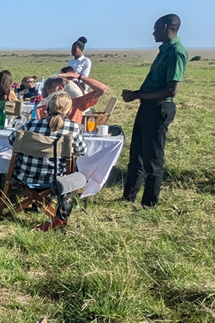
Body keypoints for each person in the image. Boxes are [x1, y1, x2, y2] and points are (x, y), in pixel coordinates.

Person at [122, 14, 188, 208]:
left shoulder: (176, 52)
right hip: (147, 107)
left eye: (156, 28)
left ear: (165, 27)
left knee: (153, 159)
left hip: (159, 108)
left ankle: (149, 204)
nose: (153, 33)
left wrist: (136, 95)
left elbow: (171, 90)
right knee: (136, 155)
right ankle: (128, 197)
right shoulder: (165, 50)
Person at [10, 92, 88, 231]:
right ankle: (56, 211)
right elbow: (82, 151)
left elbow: (11, 140)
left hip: (24, 176)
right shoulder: (73, 129)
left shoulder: (31, 124)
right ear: (69, 111)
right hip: (56, 181)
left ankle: (32, 202)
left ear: (47, 108)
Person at [40, 72, 109, 121]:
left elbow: (103, 89)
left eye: (63, 86)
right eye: (58, 87)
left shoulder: (76, 103)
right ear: (48, 91)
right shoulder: (41, 110)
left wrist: (79, 76)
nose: (62, 89)